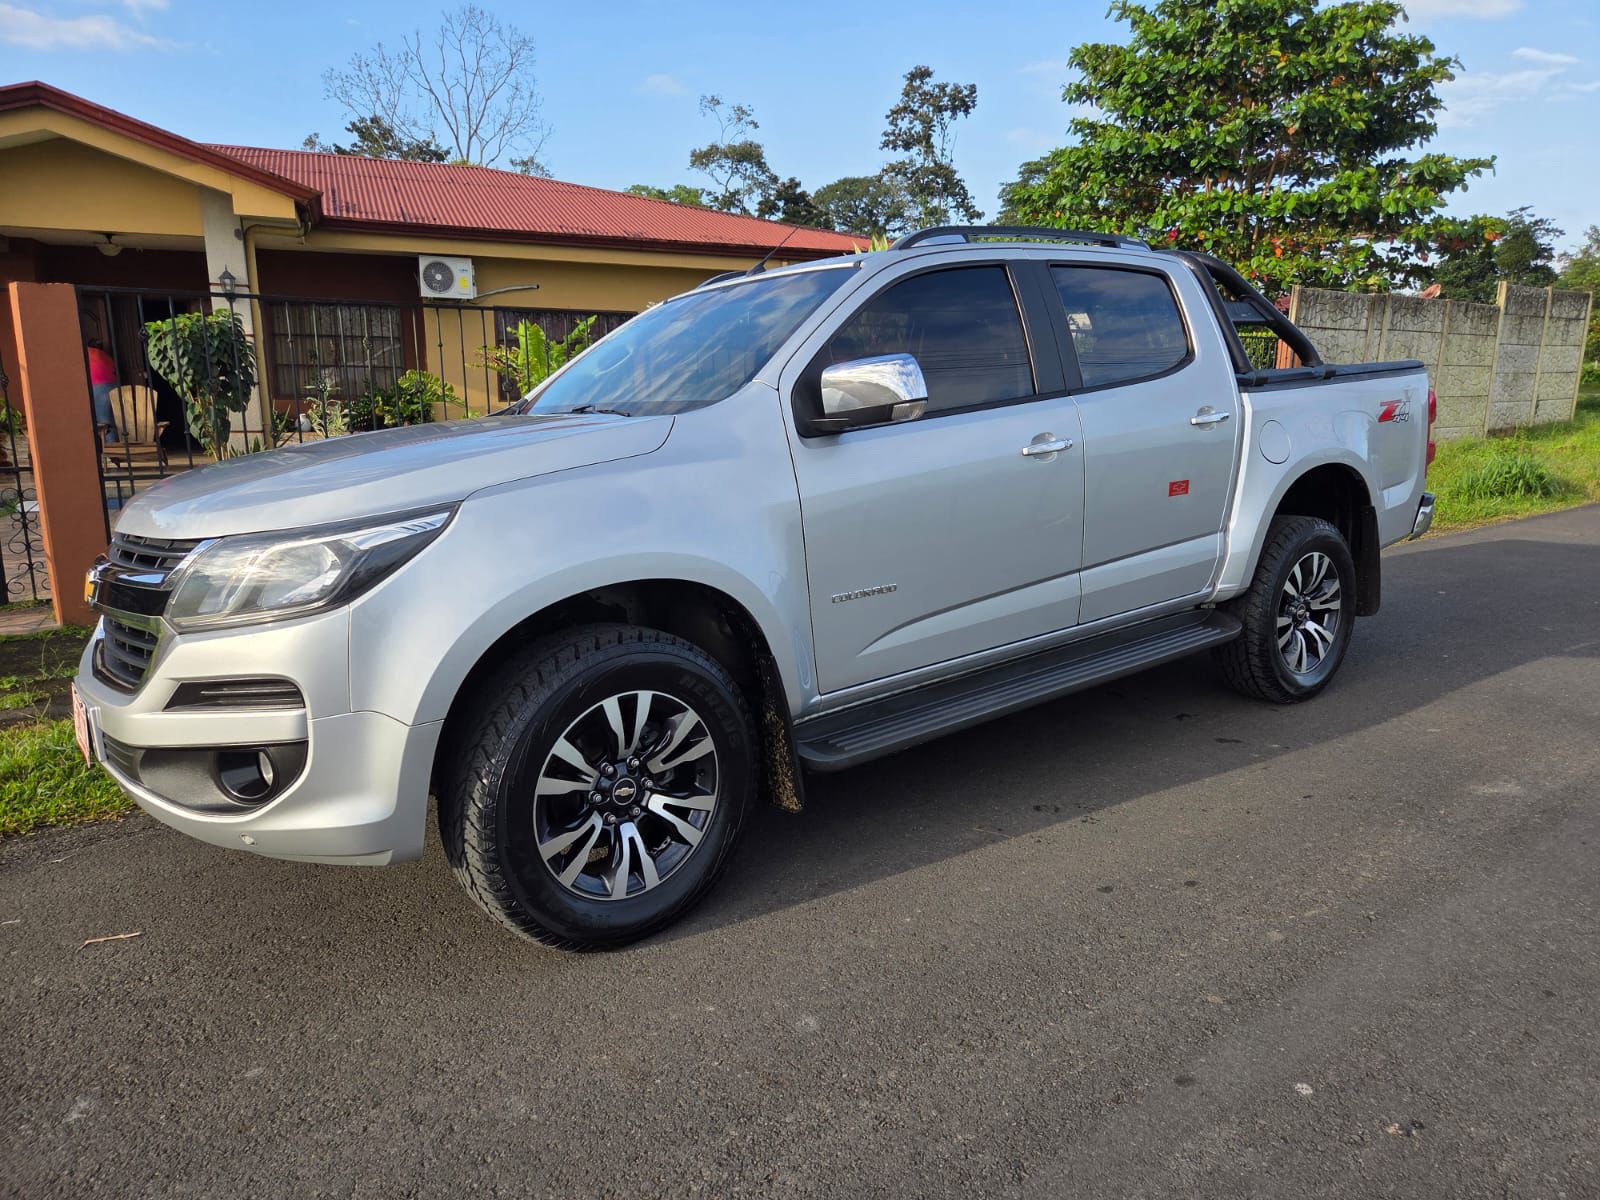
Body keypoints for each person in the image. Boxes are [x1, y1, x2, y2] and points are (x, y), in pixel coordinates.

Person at [86, 339, 119, 442]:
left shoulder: (84, 353)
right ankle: (118, 448)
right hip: (113, 385)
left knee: (104, 424)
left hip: (97, 387)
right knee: (114, 420)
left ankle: (111, 451)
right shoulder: (103, 354)